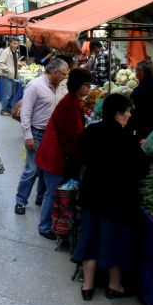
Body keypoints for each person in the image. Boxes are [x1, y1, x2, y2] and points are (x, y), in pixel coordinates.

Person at [74, 93, 149, 300]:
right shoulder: (126, 138)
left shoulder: (91, 131)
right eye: (127, 112)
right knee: (114, 241)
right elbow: (142, 169)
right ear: (118, 114)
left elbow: (79, 158)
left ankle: (87, 287)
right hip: (117, 200)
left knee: (90, 239)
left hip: (91, 196)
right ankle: (114, 286)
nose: (129, 116)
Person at [34, 68, 92, 239]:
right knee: (51, 193)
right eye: (86, 85)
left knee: (49, 191)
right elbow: (74, 135)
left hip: (54, 152)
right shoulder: (70, 105)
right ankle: (44, 227)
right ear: (77, 86)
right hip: (54, 154)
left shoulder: (73, 101)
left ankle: (49, 223)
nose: (88, 89)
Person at [14, 58, 69, 215]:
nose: (65, 77)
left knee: (47, 169)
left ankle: (40, 198)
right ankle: (20, 201)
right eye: (64, 74)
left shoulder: (60, 87)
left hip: (52, 135)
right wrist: (28, 136)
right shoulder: (35, 85)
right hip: (37, 133)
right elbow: (26, 112)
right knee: (31, 169)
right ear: (54, 73)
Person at [0, 37, 23, 117]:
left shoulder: (15, 51)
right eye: (14, 43)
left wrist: (18, 65)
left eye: (17, 43)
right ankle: (3, 110)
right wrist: (8, 69)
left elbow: (13, 62)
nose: (16, 45)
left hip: (13, 76)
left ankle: (9, 109)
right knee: (7, 95)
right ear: (10, 43)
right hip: (7, 76)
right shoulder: (6, 52)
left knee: (12, 94)